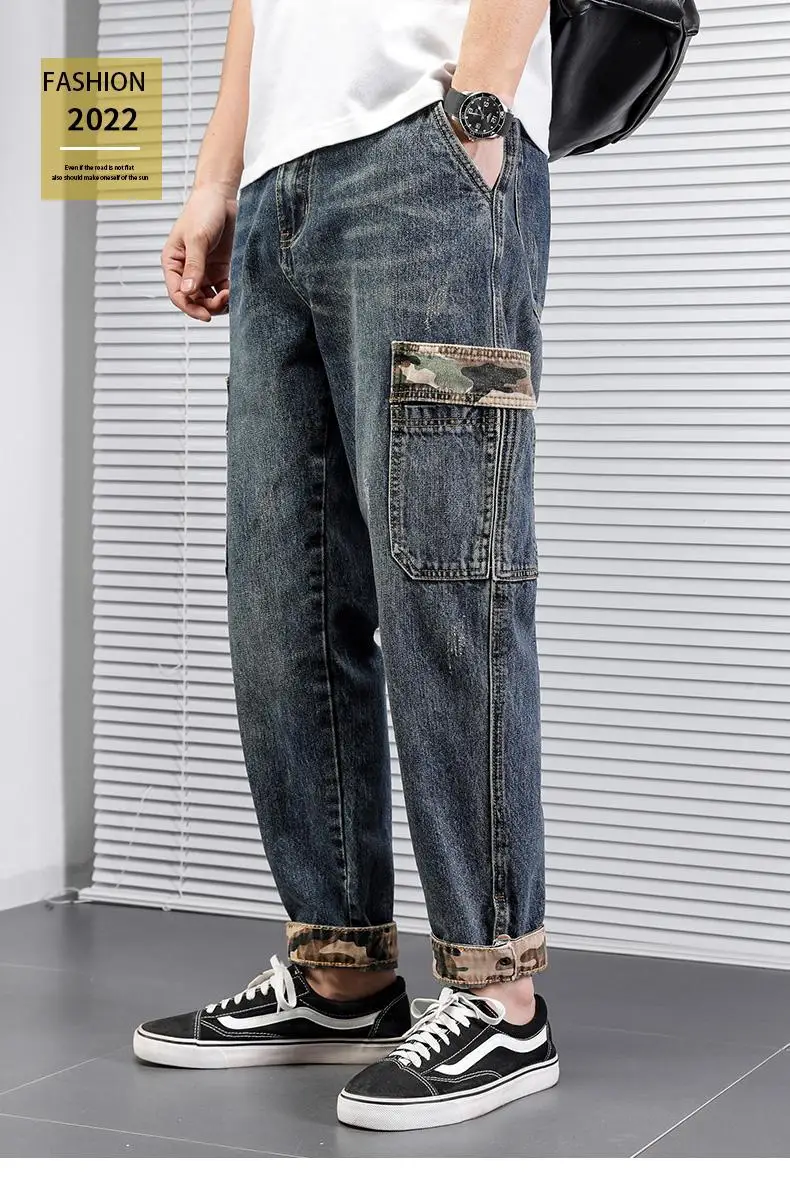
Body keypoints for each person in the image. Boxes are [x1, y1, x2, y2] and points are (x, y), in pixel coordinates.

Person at [133, 0, 557, 1132]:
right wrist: (218, 178)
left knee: (452, 577)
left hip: (427, 162)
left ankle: (501, 994)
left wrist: (478, 112)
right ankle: (342, 975)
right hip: (281, 190)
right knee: (285, 599)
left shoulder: (456, 141)